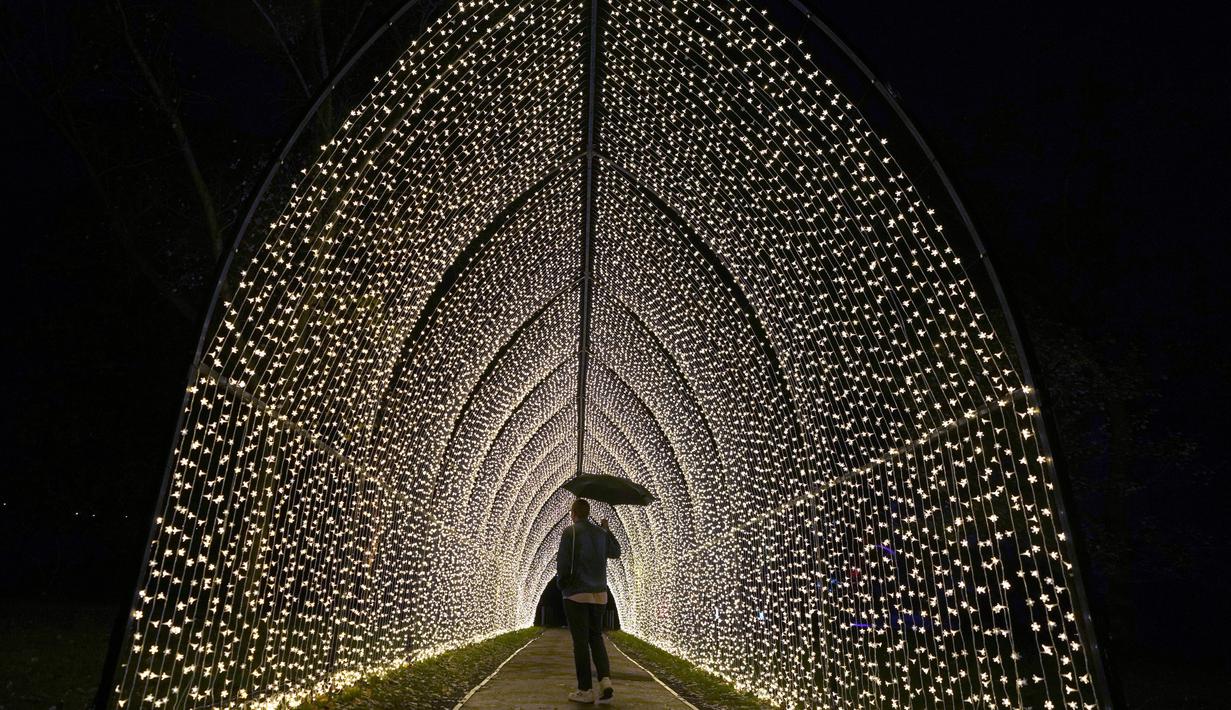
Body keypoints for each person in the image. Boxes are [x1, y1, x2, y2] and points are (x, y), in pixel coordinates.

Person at [557, 497, 621, 704]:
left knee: (581, 643)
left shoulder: (570, 532)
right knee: (596, 638)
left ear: (573, 514)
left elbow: (563, 564)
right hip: (600, 595)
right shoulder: (601, 534)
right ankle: (605, 681)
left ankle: (585, 690)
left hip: (576, 594)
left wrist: (562, 585)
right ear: (588, 513)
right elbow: (616, 552)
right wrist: (607, 530)